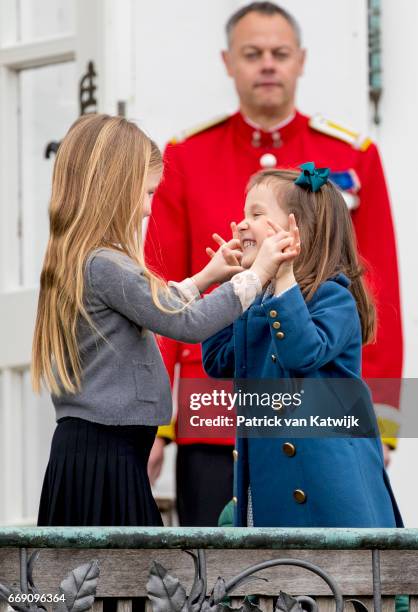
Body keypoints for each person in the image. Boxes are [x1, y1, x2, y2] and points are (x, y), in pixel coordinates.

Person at [145, 1, 403, 525]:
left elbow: (377, 291)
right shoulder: (186, 156)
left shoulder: (353, 155)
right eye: (253, 53)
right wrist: (155, 422)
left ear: (301, 60)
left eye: (279, 53)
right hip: (214, 414)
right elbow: (165, 293)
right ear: (228, 62)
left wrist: (380, 419)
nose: (267, 64)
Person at [31, 113, 294, 527]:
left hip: (106, 451)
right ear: (115, 187)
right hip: (107, 454)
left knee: (96, 587)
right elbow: (184, 324)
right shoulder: (106, 265)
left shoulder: (92, 261)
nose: (149, 208)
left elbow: (158, 305)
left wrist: (207, 277)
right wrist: (255, 275)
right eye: (146, 193)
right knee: (120, 585)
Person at [203, 164, 403, 527]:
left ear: (297, 231)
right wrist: (232, 284)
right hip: (271, 485)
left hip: (329, 491)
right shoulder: (257, 302)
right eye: (243, 213)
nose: (242, 223)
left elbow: (301, 353)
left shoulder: (334, 298)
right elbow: (217, 360)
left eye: (257, 214)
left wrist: (281, 276)